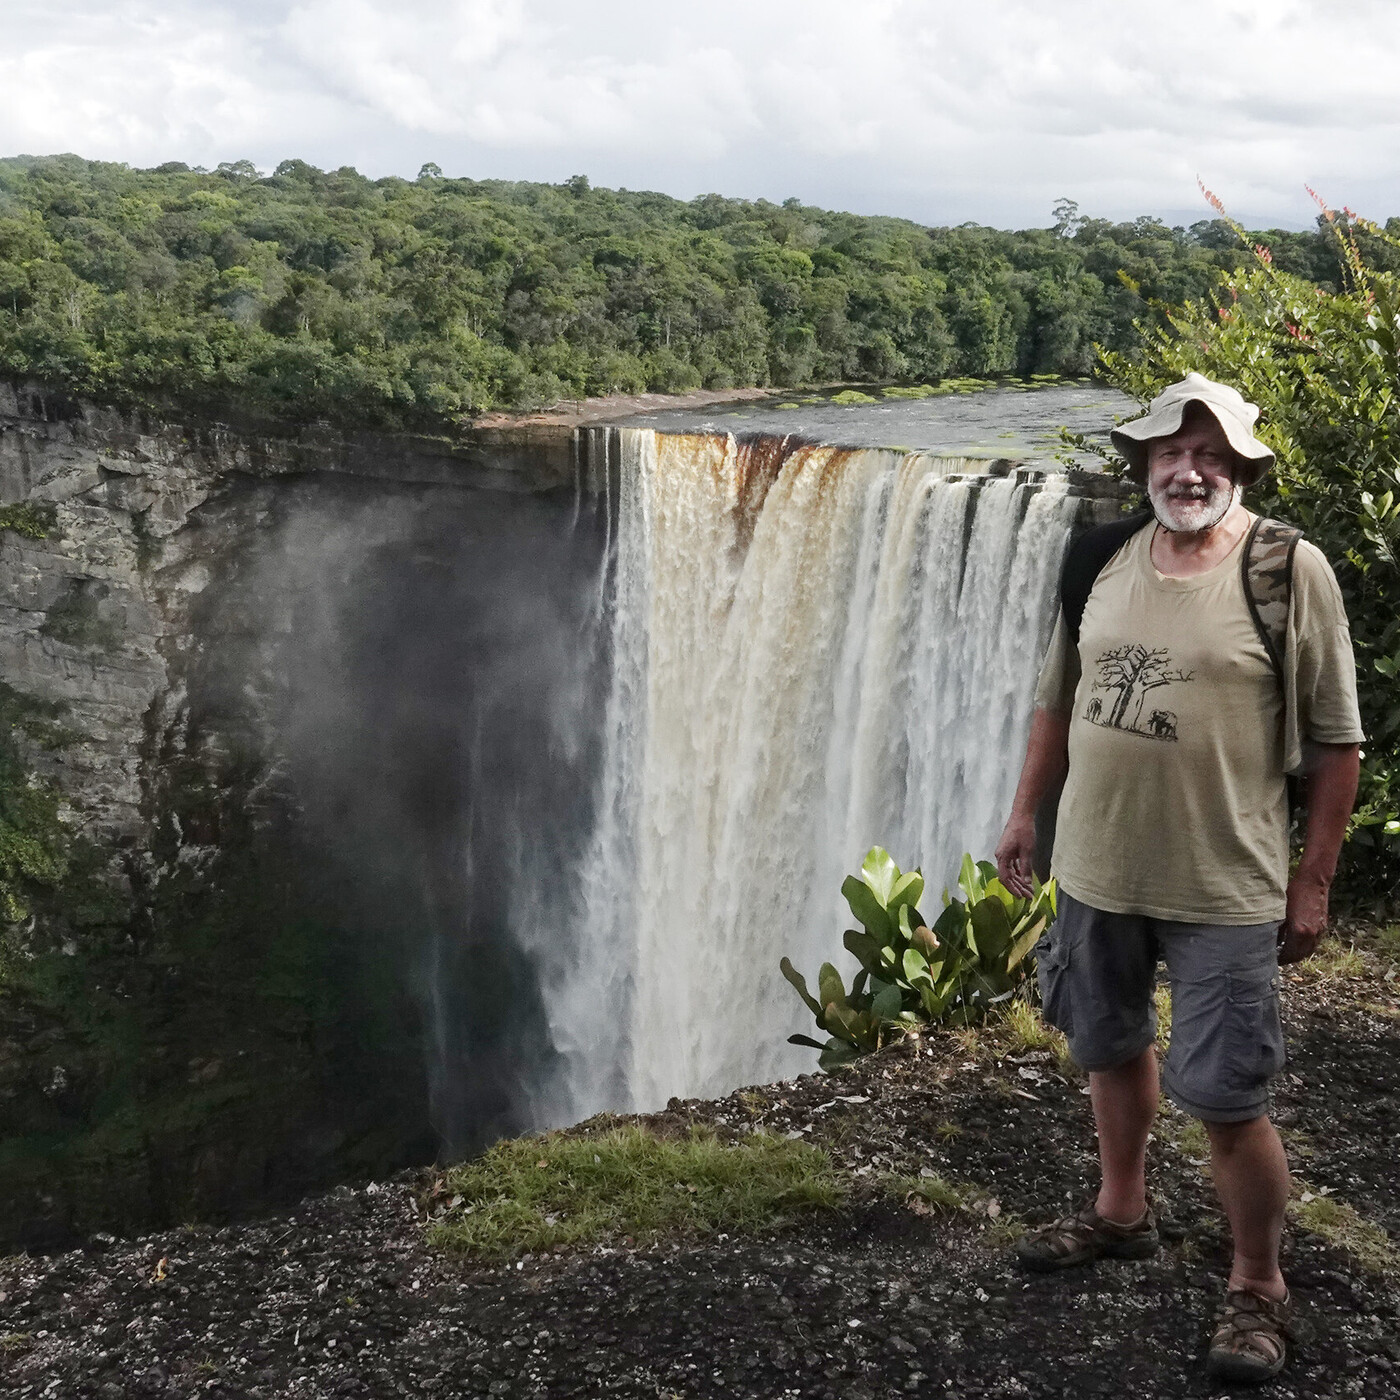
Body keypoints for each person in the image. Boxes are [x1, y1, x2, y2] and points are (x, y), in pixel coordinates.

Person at [994, 372, 1363, 1384]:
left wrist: (1313, 880)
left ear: (1240, 466)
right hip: (1096, 867)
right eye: (1168, 449)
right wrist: (1025, 813)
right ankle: (1120, 1214)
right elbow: (1054, 703)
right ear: (1142, 462)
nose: (1186, 467)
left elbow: (1336, 743)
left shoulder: (1289, 570)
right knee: (1107, 1045)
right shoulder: (1097, 558)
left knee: (1226, 1094)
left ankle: (1257, 1283)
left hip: (1223, 882)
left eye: (1208, 452)